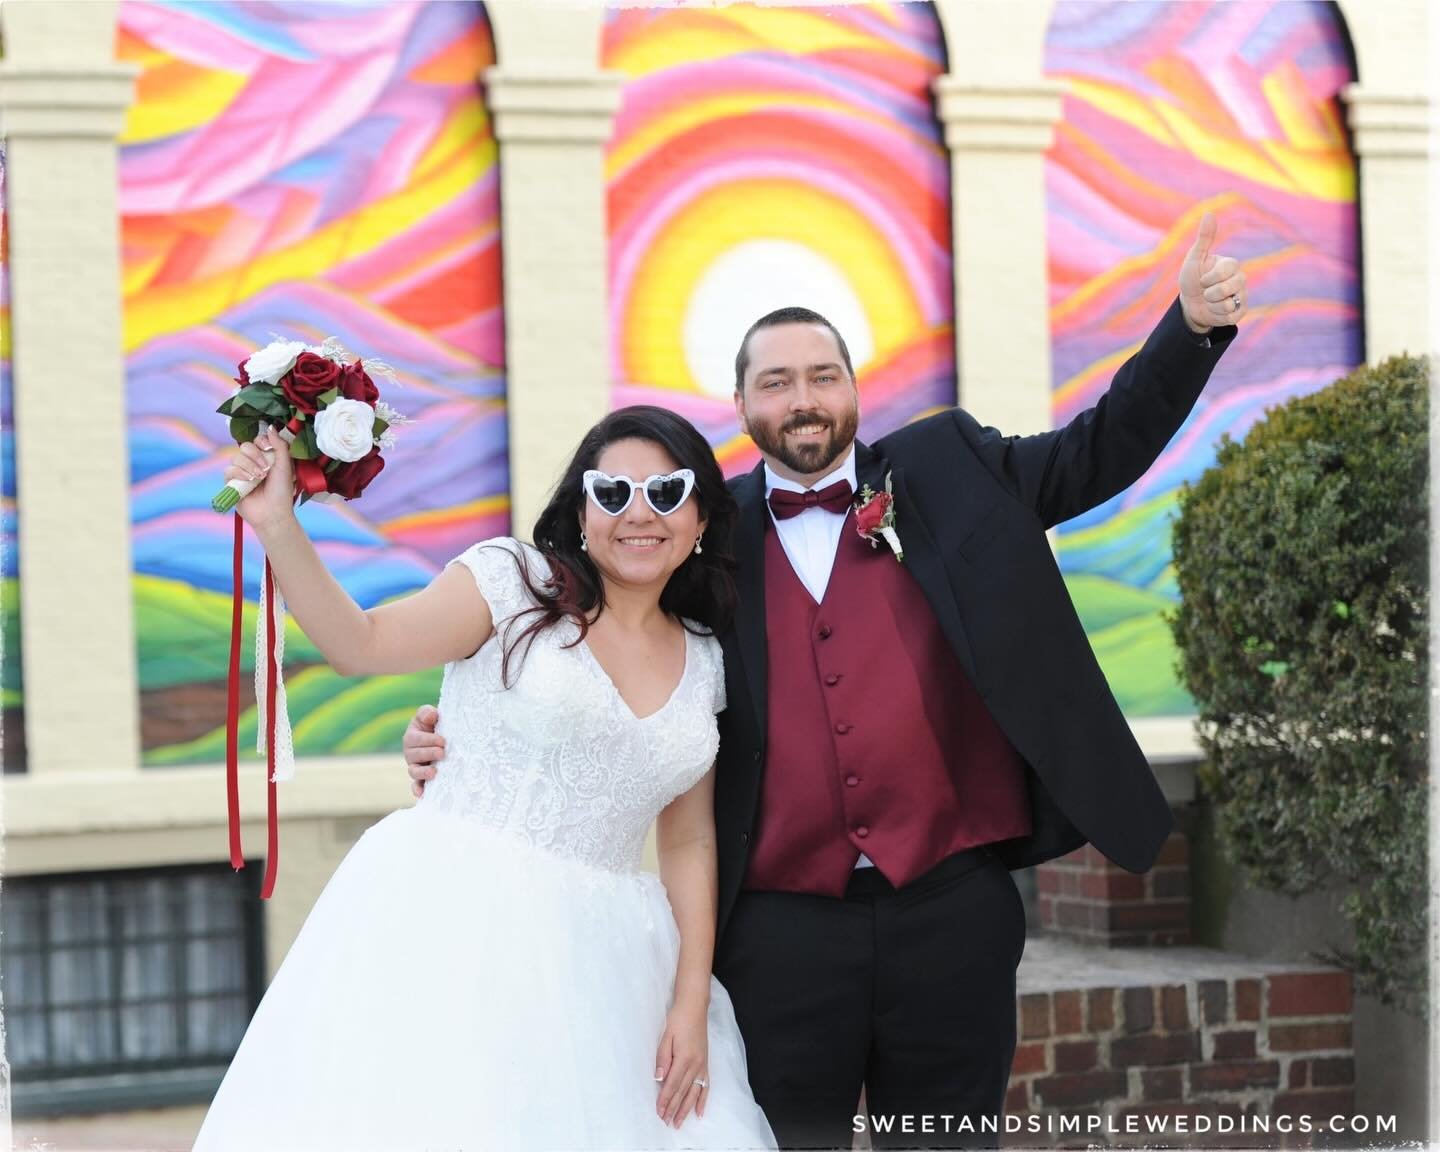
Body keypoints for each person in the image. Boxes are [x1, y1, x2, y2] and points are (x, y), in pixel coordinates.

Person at [405, 212, 1249, 1148]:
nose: (802, 398)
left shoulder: (950, 468)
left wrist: (1189, 328)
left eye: (821, 375)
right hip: (777, 931)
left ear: (851, 388)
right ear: (741, 406)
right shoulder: (698, 534)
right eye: (776, 382)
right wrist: (467, 725)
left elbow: (1099, 449)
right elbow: (595, 643)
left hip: (951, 906)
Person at [194, 406, 778, 1151]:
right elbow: (360, 644)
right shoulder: (511, 583)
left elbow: (689, 842)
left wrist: (690, 999)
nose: (639, 513)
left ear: (699, 520)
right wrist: (279, 525)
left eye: (666, 493)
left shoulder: (706, 659)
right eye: (612, 492)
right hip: (457, 924)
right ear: (579, 510)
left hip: (615, 966)